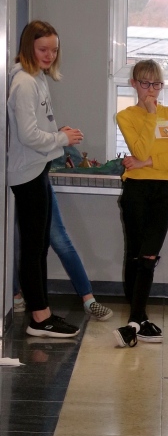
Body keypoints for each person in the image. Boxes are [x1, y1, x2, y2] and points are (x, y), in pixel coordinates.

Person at [7, 20, 83, 338]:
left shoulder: (37, 77)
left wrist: (57, 138)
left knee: (40, 248)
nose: (49, 55)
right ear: (28, 47)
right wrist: (62, 139)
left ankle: (44, 313)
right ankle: (39, 318)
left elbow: (40, 129)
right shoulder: (23, 82)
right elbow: (28, 136)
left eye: (53, 49)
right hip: (27, 172)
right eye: (43, 49)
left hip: (38, 168)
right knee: (35, 247)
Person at [114, 59, 168, 348]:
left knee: (150, 255)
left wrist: (147, 162)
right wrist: (148, 115)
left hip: (163, 191)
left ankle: (134, 320)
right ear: (134, 83)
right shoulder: (126, 116)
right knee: (135, 254)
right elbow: (138, 147)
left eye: (156, 84)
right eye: (145, 83)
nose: (151, 90)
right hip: (136, 190)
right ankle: (139, 318)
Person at [13, 187, 113, 322]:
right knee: (12, 243)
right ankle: (16, 295)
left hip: (35, 181)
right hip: (12, 182)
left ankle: (88, 299)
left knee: (60, 241)